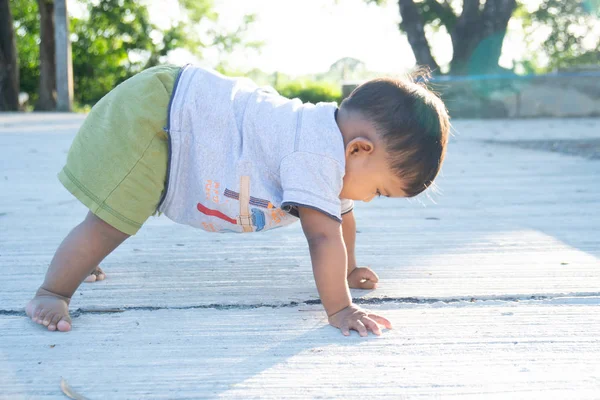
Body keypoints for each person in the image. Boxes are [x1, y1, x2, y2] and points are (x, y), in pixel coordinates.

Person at [25, 64, 450, 336]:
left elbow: (342, 222)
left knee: (119, 205)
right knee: (114, 220)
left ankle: (86, 256)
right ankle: (53, 291)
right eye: (380, 190)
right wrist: (340, 309)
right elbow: (324, 239)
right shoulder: (317, 154)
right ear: (360, 150)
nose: (370, 199)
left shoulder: (325, 140)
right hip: (163, 116)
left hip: (175, 100)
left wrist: (351, 268)